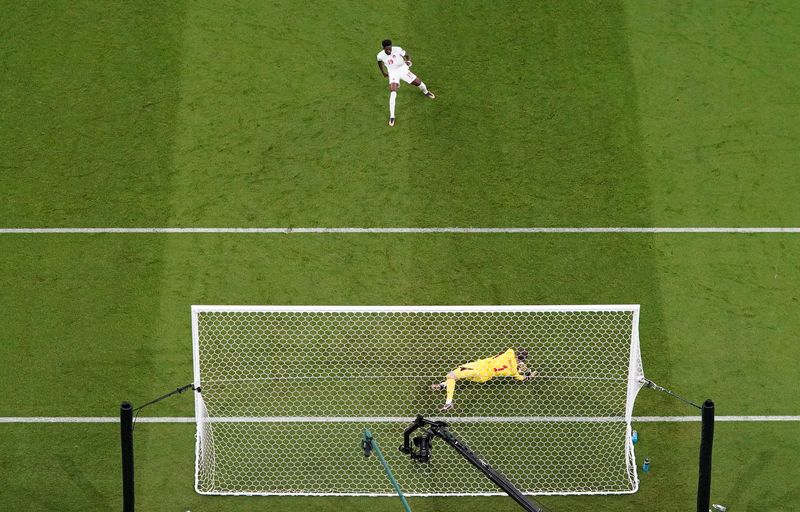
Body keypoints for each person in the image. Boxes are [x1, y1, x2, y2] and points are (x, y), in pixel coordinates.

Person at [431, 348, 538, 411]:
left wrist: (521, 365)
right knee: (456, 374)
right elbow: (521, 377)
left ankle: (449, 402)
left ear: (517, 353)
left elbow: (503, 353)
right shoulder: (513, 371)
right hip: (482, 375)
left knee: (452, 375)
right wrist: (528, 374)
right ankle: (442, 386)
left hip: (479, 368)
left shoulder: (510, 352)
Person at [376, 39, 435, 127]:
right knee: (393, 92)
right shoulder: (380, 55)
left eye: (390, 48)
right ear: (383, 48)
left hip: (403, 70)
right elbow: (379, 63)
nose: (389, 50)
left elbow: (407, 56)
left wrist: (409, 61)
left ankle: (426, 92)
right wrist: (384, 73)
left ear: (391, 46)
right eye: (387, 49)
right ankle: (392, 116)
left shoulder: (398, 49)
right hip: (393, 73)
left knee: (419, 83)